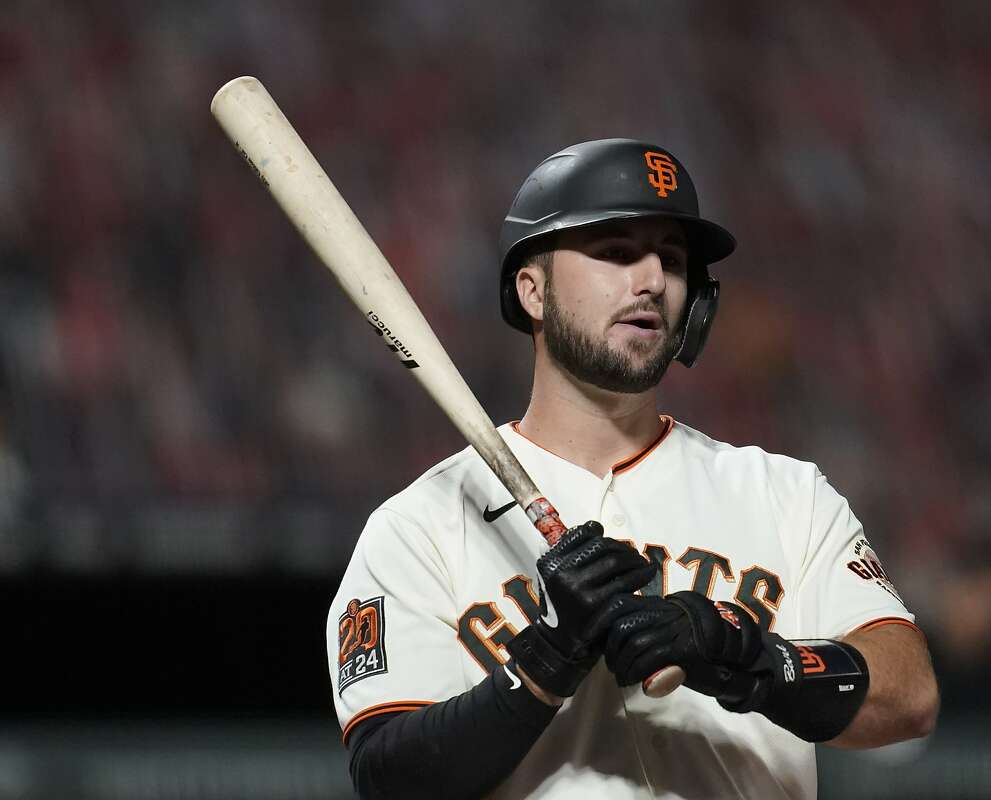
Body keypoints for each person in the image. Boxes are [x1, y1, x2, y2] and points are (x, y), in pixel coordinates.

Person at [326, 138, 939, 799]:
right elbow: (387, 777)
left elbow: (909, 696)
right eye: (617, 252)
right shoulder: (420, 526)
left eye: (671, 260)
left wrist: (742, 654)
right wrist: (546, 657)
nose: (651, 279)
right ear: (532, 289)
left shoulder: (783, 494)